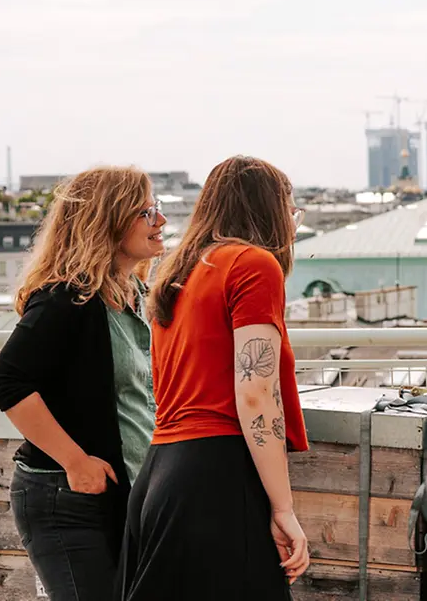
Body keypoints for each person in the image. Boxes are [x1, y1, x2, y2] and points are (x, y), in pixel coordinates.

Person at [120, 156, 311, 599]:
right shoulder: (253, 264)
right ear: (269, 211)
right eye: (291, 210)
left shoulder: (180, 269)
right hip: (216, 474)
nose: (293, 223)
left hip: (161, 471)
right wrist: (283, 508)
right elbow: (256, 393)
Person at [0, 167, 166, 600]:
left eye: (158, 209)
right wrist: (75, 461)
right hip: (68, 499)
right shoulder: (68, 298)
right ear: (109, 219)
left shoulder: (130, 293)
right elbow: (7, 380)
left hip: (120, 494)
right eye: (147, 211)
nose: (160, 221)